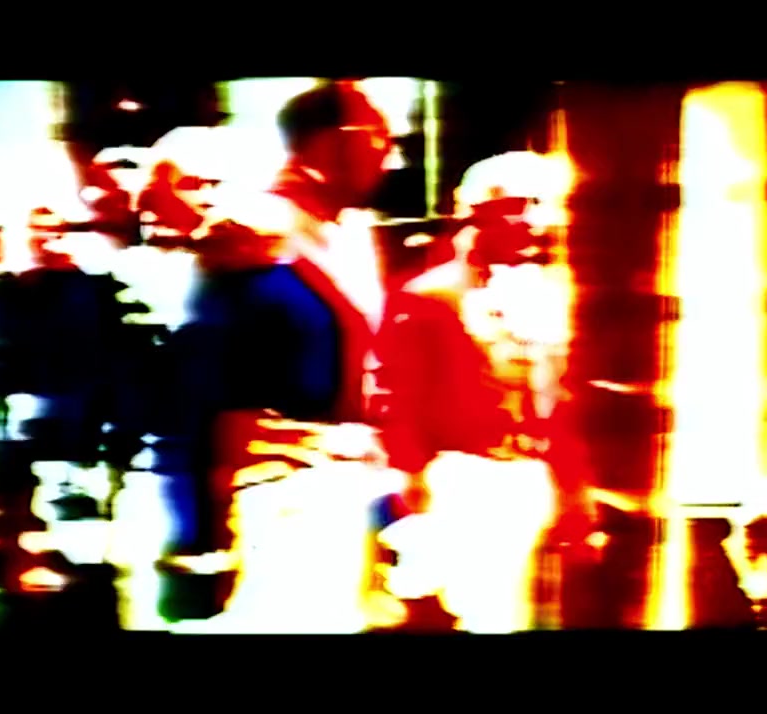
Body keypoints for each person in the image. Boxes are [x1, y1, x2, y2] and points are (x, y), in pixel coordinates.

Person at [150, 81, 399, 628]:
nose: (390, 155)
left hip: (350, 484)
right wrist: (198, 525)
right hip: (276, 486)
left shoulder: (354, 232)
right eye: (379, 137)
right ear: (334, 140)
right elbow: (201, 383)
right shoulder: (252, 230)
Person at [371, 151, 594, 632]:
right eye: (516, 206)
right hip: (462, 482)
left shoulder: (545, 294)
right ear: (474, 213)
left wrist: (574, 489)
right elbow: (398, 401)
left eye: (540, 204)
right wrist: (413, 488)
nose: (532, 220)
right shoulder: (428, 297)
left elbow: (557, 400)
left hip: (533, 481)